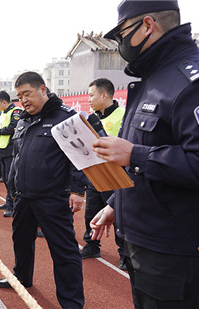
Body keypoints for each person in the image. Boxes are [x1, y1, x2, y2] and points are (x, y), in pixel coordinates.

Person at [91, 1, 199, 307]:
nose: (120, 43)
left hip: (176, 249)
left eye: (123, 33)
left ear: (148, 26)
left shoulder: (198, 83)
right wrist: (117, 204)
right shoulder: (156, 80)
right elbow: (151, 156)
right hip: (147, 241)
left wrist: (135, 155)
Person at [0, 72, 86, 309]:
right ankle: (22, 277)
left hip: (53, 198)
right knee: (21, 241)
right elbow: (17, 156)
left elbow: (80, 156)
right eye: (19, 96)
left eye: (27, 93)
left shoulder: (65, 118)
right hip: (23, 197)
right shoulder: (23, 121)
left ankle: (71, 302)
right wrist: (13, 187)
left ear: (43, 89)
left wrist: (78, 190)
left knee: (64, 251)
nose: (23, 100)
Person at [79, 78, 126, 270]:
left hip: (115, 173)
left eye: (91, 95)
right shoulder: (92, 117)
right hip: (95, 171)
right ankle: (91, 245)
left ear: (104, 95)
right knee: (91, 210)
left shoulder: (123, 115)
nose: (89, 99)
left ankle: (124, 253)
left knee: (117, 215)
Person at [0, 91, 23, 217]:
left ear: (4, 102)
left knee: (11, 179)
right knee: (5, 178)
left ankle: (12, 206)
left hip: (11, 149)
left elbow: (13, 127)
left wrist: (0, 131)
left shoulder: (16, 111)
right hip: (2, 149)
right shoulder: (4, 112)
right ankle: (8, 201)